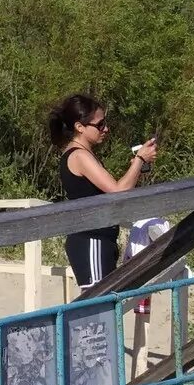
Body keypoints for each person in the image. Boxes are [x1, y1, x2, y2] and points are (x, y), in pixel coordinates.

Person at [48, 93, 157, 293]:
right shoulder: (79, 155)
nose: (105, 129)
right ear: (79, 127)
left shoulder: (82, 153)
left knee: (101, 309)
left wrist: (137, 166)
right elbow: (117, 191)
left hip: (99, 240)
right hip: (91, 239)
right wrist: (140, 159)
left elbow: (115, 188)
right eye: (99, 125)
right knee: (98, 310)